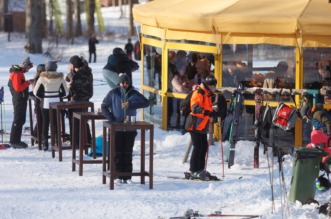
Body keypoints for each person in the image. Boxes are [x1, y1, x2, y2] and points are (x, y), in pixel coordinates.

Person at [101, 74, 149, 184]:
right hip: (117, 128)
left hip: (130, 128)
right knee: (117, 153)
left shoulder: (134, 93)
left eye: (127, 83)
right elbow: (104, 106)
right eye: (123, 83)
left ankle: (127, 176)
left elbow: (146, 102)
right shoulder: (114, 93)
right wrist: (111, 118)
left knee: (127, 153)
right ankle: (118, 176)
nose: (125, 85)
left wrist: (131, 104)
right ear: (119, 83)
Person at [184, 75, 221, 180]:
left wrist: (213, 113)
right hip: (194, 124)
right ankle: (193, 170)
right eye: (213, 86)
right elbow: (195, 108)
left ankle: (200, 169)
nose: (214, 88)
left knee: (204, 146)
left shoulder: (208, 94)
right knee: (198, 147)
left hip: (202, 125)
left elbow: (208, 107)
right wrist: (207, 112)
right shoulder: (199, 92)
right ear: (209, 85)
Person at [33, 60, 68, 151]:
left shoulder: (42, 78)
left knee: (45, 122)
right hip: (57, 103)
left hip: (45, 102)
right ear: (55, 68)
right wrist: (58, 96)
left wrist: (43, 96)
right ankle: (57, 141)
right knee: (56, 122)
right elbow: (66, 92)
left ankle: (45, 143)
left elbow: (35, 92)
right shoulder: (60, 77)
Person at [66, 55, 93, 148]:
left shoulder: (78, 74)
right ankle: (88, 139)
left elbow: (72, 88)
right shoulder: (87, 71)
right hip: (86, 99)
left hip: (78, 99)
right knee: (84, 120)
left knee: (74, 120)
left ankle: (76, 142)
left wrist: (70, 74)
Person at [8, 57, 34, 149]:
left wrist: (27, 82)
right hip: (18, 100)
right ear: (25, 66)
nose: (28, 69)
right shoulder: (17, 73)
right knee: (18, 120)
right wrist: (28, 83)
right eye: (28, 67)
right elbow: (18, 88)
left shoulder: (19, 73)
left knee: (20, 119)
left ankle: (16, 140)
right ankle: (14, 141)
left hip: (20, 99)